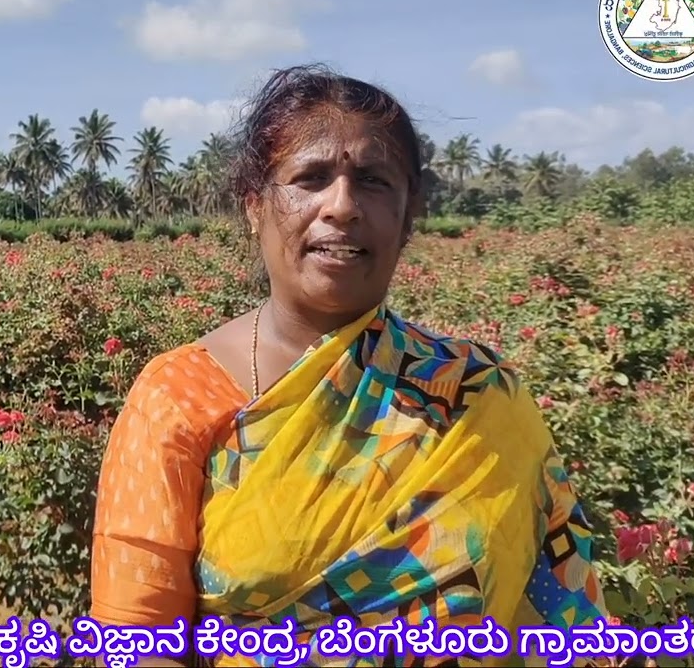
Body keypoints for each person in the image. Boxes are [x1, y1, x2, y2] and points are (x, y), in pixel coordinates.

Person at [89, 65, 609, 667]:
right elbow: (134, 639)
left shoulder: (479, 396)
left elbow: (559, 608)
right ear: (256, 205)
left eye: (372, 181)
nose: (341, 206)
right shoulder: (178, 396)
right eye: (309, 178)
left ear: (409, 214)